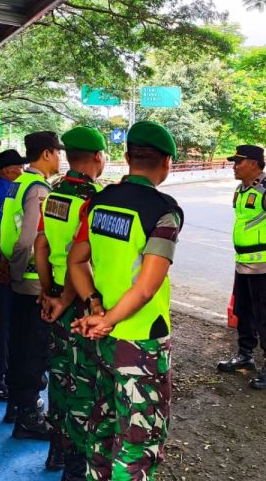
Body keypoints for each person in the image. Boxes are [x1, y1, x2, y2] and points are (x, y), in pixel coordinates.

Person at [68, 121, 183, 481]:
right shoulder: (164, 211)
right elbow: (147, 287)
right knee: (139, 438)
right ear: (165, 161)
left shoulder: (98, 202)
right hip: (140, 341)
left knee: (102, 426)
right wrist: (110, 318)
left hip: (104, 341)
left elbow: (76, 260)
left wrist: (95, 306)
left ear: (127, 156)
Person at [35, 127, 106, 477]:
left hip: (56, 295)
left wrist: (47, 291)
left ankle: (55, 450)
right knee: (83, 381)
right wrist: (66, 298)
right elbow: (89, 260)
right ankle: (76, 463)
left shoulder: (53, 195)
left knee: (59, 374)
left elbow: (41, 246)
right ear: (97, 157)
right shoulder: (95, 200)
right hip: (80, 301)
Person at [216, 145, 266, 390]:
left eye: (238, 162)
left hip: (265, 266)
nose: (234, 166)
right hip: (243, 265)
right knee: (244, 310)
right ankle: (245, 355)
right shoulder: (240, 191)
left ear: (253, 163)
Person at [0, 131, 62, 439]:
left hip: (18, 278)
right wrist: (20, 271)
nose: (60, 158)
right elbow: (29, 239)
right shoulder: (38, 187)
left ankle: (15, 406)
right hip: (33, 283)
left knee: (20, 344)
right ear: (48, 153)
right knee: (33, 350)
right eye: (58, 152)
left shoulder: (19, 182)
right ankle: (29, 416)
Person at [0, 148, 28, 401]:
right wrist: (4, 265)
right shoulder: (2, 194)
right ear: (6, 171)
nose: (21, 171)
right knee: (3, 326)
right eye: (18, 167)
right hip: (1, 270)